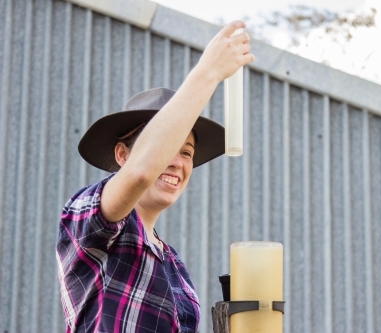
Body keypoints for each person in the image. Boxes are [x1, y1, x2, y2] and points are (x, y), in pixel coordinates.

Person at [56, 21, 254, 333]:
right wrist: (209, 73)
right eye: (167, 148)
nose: (177, 162)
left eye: (186, 152)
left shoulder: (172, 262)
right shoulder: (85, 216)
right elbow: (140, 172)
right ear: (122, 155)